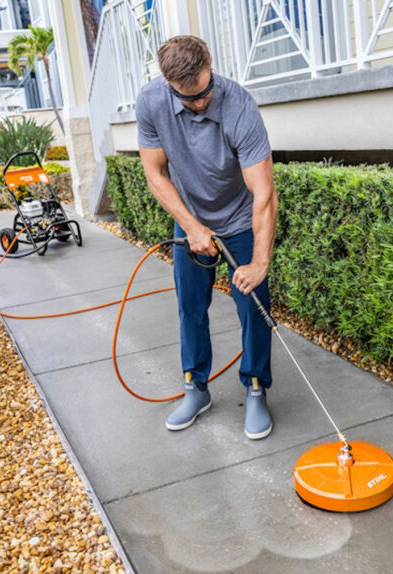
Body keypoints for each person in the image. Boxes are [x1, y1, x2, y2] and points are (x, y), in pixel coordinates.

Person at [135, 35, 278, 440]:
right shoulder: (151, 102)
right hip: (191, 218)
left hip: (238, 216)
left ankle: (255, 387)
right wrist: (193, 226)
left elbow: (264, 192)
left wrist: (259, 263)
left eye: (203, 93)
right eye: (187, 99)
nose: (199, 103)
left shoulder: (239, 105)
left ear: (210, 65)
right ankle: (196, 388)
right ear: (169, 85)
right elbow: (155, 174)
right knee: (190, 305)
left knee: (253, 305)